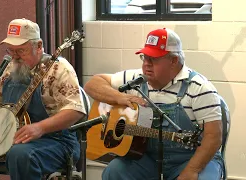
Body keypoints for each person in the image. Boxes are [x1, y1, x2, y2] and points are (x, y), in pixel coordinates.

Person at [0, 18, 86, 180]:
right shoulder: (11, 68)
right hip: (10, 139)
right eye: (10, 51)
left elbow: (76, 110)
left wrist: (39, 128)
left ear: (39, 46)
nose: (15, 56)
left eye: (20, 51)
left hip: (55, 141)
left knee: (19, 154)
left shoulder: (59, 69)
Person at [84, 28, 223, 180]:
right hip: (148, 159)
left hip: (191, 158)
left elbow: (213, 136)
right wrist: (119, 97)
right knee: (114, 171)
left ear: (173, 60)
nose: (146, 64)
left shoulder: (200, 88)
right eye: (144, 57)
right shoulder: (135, 79)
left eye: (154, 59)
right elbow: (93, 84)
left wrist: (192, 170)